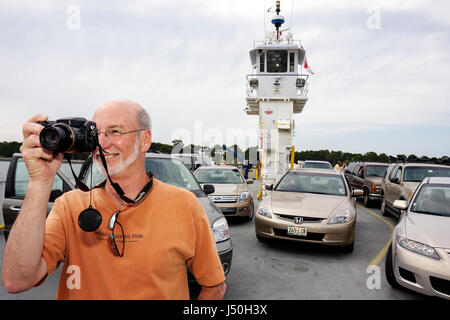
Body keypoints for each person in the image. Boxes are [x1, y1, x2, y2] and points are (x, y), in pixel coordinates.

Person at [1, 99, 226, 300]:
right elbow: (16, 281)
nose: (102, 144)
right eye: (96, 134)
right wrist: (39, 183)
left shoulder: (184, 205)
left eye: (115, 131)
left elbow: (215, 286)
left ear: (145, 140)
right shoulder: (69, 206)